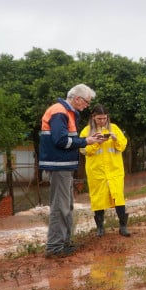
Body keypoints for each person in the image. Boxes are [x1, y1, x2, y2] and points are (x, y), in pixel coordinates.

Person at [39, 84, 105, 258]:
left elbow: (69, 139)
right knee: (59, 207)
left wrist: (86, 140)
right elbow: (61, 140)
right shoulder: (59, 112)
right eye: (86, 102)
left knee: (66, 207)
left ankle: (65, 243)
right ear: (77, 99)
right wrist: (86, 142)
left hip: (65, 166)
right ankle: (54, 248)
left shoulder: (67, 112)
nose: (86, 106)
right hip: (58, 166)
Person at [79, 104, 131, 237]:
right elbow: (83, 150)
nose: (102, 121)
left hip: (115, 171)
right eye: (99, 119)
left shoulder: (114, 128)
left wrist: (115, 139)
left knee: (118, 197)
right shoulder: (86, 131)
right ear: (93, 117)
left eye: (104, 118)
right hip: (97, 172)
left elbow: (123, 146)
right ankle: (100, 228)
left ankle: (123, 227)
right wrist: (96, 142)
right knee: (98, 200)